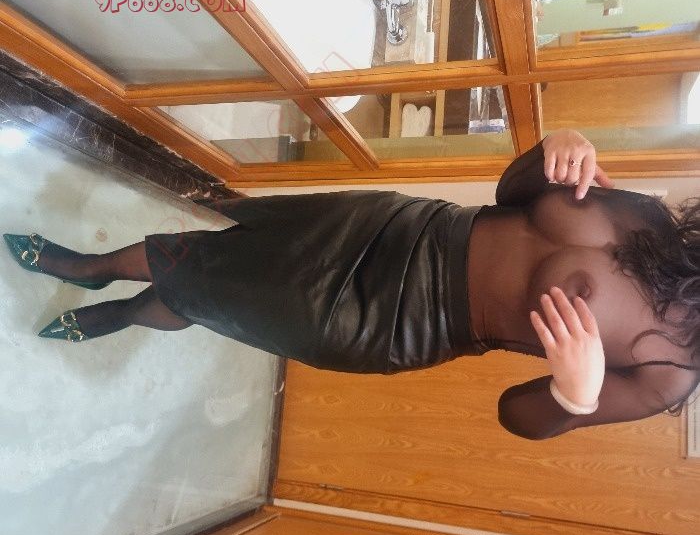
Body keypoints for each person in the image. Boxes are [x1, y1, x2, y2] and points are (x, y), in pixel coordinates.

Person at [4, 129, 698, 439]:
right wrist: (554, 146)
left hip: (391, 318)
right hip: (400, 224)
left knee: (223, 292)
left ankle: (112, 300)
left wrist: (574, 397)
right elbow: (513, 195)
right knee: (224, 249)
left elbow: (517, 418)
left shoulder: (668, 373)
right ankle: (95, 272)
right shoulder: (650, 219)